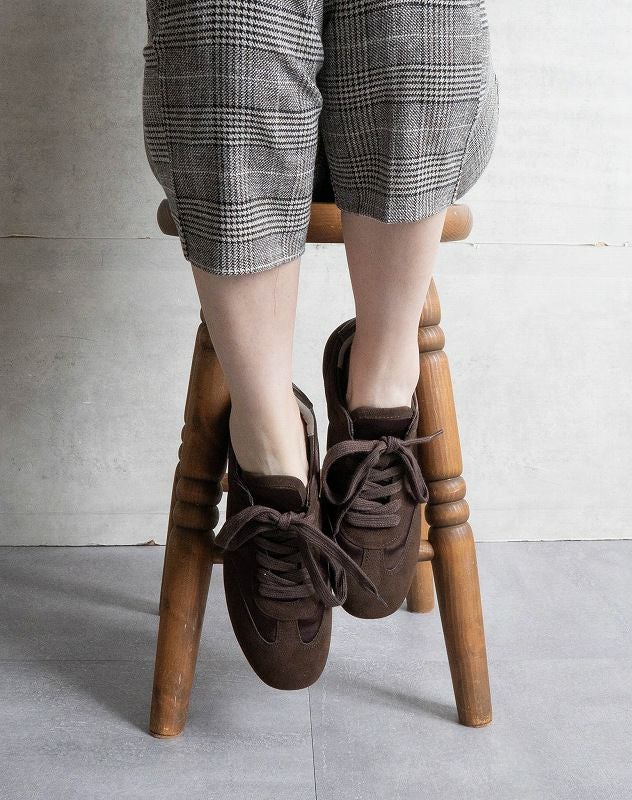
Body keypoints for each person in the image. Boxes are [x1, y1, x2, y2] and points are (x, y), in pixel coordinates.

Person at [142, 0, 499, 691]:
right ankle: (269, 441)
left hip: (421, 125)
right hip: (228, 118)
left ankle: (382, 389)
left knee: (411, 22)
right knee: (232, 24)